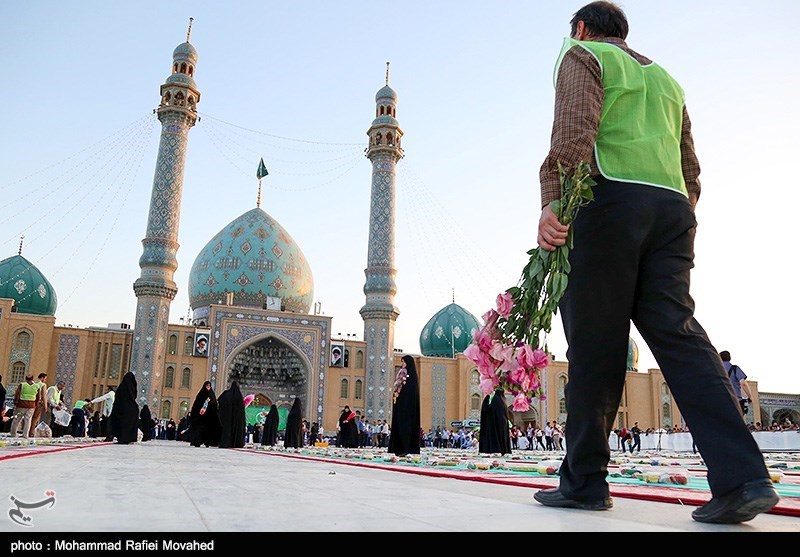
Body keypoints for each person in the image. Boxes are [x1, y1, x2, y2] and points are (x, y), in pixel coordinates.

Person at [532, 2, 778, 524]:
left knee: (596, 343)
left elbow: (575, 126)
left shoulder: (584, 53)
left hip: (608, 201)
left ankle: (584, 483)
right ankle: (743, 479)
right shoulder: (667, 80)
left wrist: (554, 199)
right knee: (679, 335)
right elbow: (691, 166)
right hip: (670, 211)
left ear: (580, 27)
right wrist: (678, 216)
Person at [387, 355, 421, 456]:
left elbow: (409, 391)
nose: (402, 364)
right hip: (401, 406)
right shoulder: (405, 374)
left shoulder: (409, 376)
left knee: (405, 427)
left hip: (407, 408)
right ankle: (399, 447)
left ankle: (405, 448)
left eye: (404, 362)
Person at [479, 388, 512, 455]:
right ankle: (503, 449)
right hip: (503, 424)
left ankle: (494, 449)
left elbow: (487, 409)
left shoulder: (494, 400)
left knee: (494, 436)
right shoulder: (504, 401)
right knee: (502, 437)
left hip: (493, 423)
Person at [108, 372, 138, 444]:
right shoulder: (132, 388)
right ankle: (128, 438)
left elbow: (117, 399)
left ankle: (121, 437)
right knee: (128, 424)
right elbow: (134, 396)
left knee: (120, 422)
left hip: (121, 409)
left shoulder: (121, 387)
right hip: (132, 409)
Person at [720, 351, 753, 416]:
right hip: (736, 402)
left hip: (721, 401)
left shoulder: (716, 369)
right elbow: (743, 384)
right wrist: (750, 396)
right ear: (730, 358)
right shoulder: (734, 369)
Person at [189, 381, 221, 448]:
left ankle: (207, 442)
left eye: (209, 386)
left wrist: (210, 402)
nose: (208, 387)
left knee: (208, 431)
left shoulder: (212, 394)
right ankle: (197, 442)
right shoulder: (201, 394)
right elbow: (196, 405)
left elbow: (215, 404)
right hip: (201, 418)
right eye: (207, 386)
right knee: (199, 430)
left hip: (209, 418)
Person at [217, 381, 246, 449]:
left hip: (227, 419)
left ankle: (226, 442)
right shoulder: (239, 396)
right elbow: (242, 411)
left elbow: (219, 402)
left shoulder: (226, 394)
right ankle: (236, 443)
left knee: (227, 429)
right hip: (237, 420)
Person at [28, 373, 48, 437]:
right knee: (35, 418)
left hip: (31, 402)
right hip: (38, 403)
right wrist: (45, 406)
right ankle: (31, 432)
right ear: (42, 378)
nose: (45, 380)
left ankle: (26, 431)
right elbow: (44, 396)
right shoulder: (42, 385)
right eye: (45, 379)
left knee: (29, 418)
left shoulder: (33, 383)